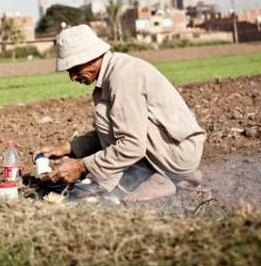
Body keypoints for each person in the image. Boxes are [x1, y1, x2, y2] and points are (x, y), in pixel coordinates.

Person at [35, 24, 206, 202]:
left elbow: (132, 144)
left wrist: (82, 166)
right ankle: (179, 176)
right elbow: (111, 132)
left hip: (177, 150)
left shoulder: (122, 76)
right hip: (168, 148)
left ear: (91, 57)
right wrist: (68, 148)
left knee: (117, 196)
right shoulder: (111, 74)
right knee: (117, 133)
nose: (72, 77)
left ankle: (161, 179)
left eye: (74, 68)